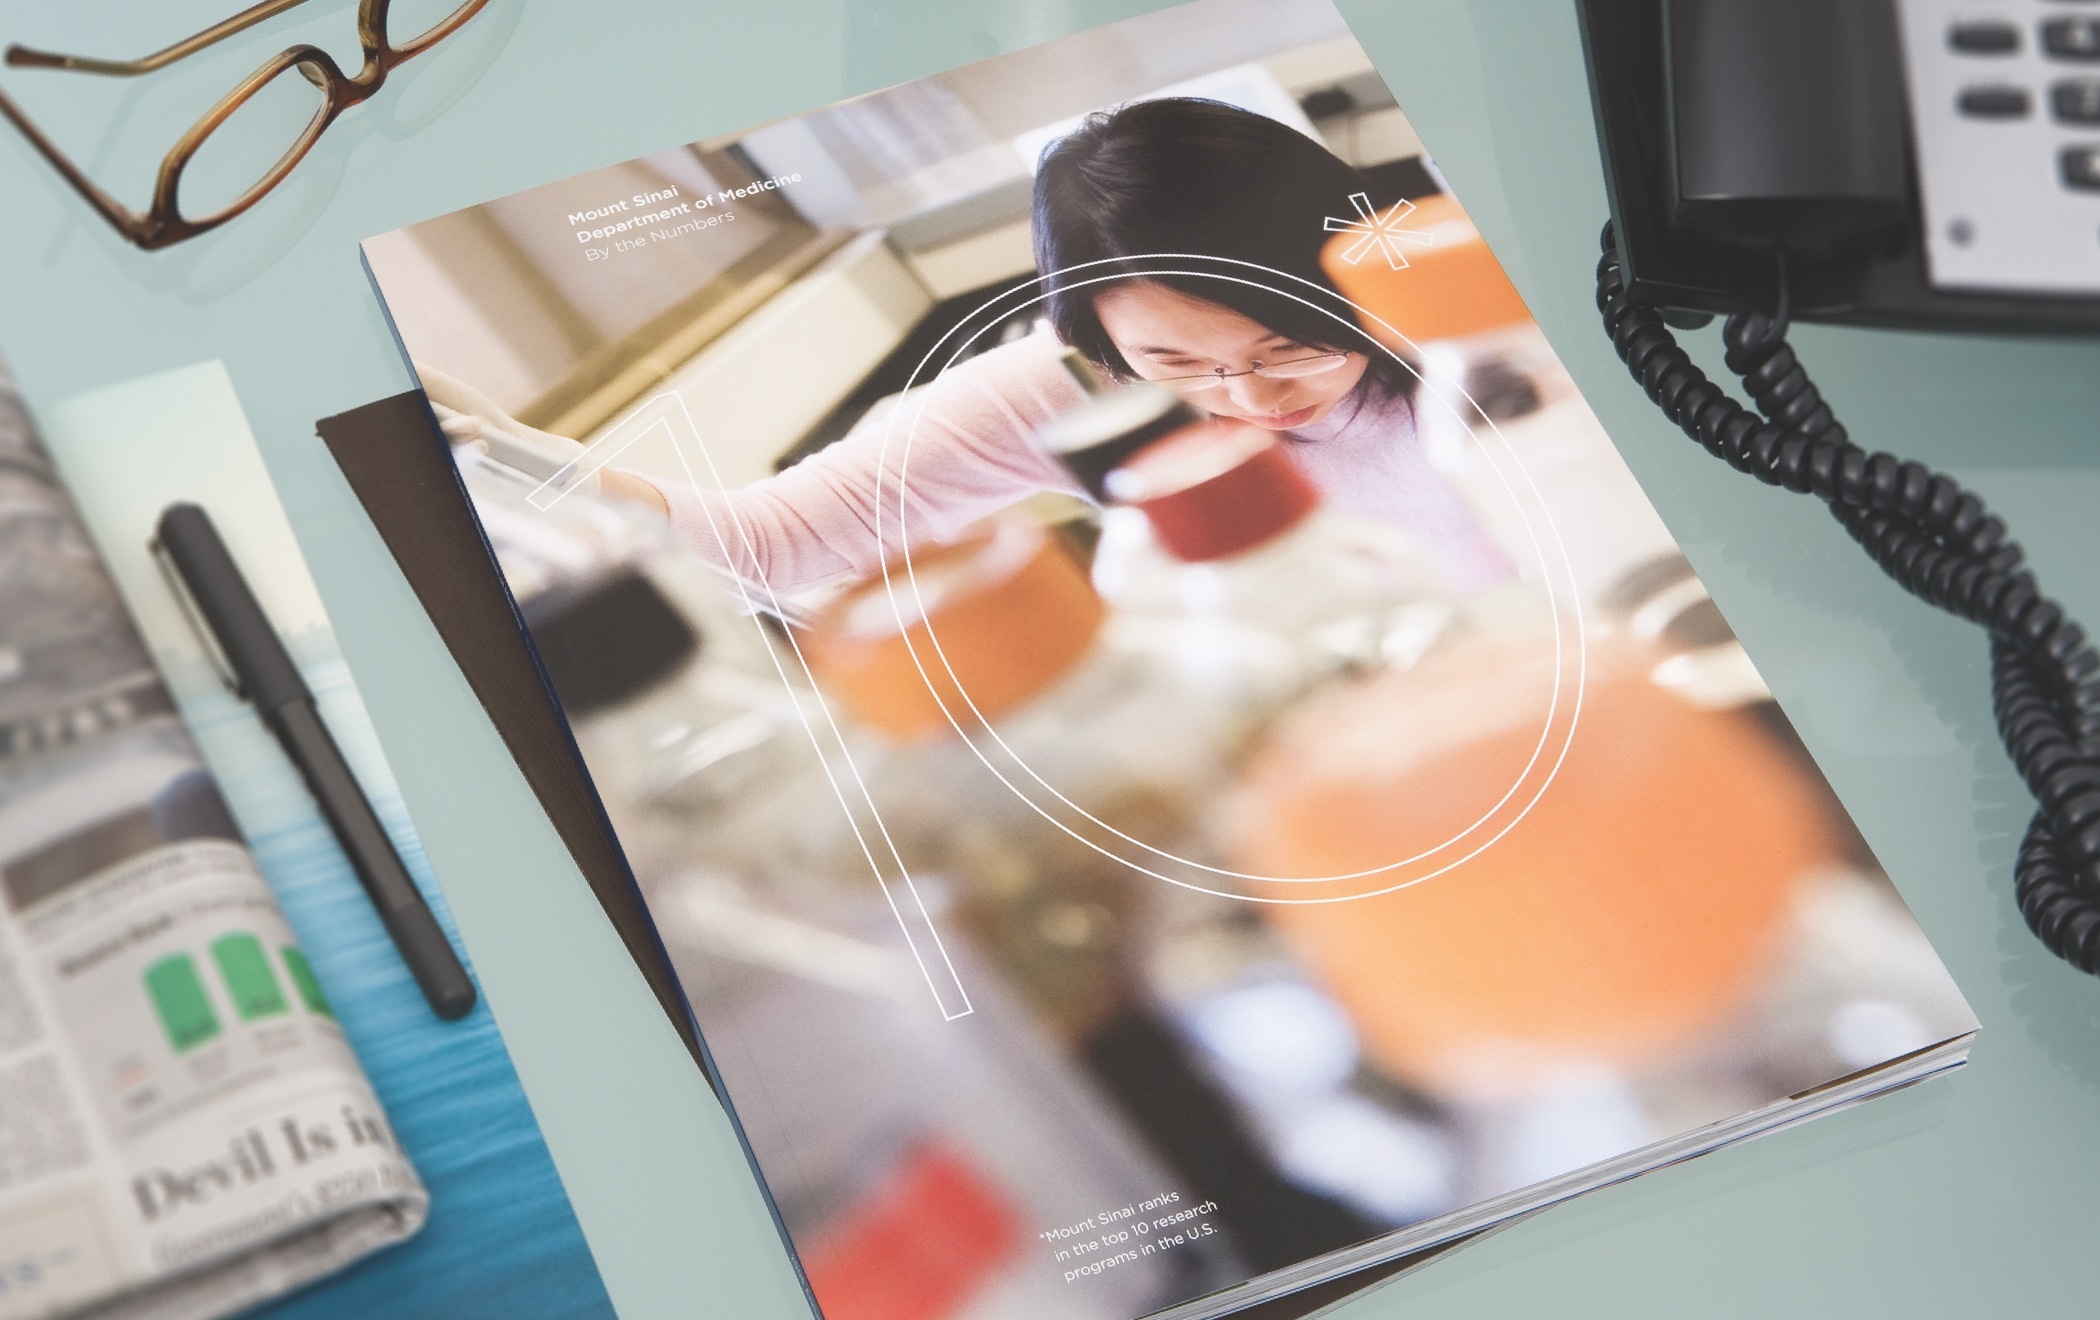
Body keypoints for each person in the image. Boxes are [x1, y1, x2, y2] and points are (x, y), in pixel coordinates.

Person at [430, 97, 1511, 597]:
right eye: (1175, 367)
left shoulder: (1462, 297)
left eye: (1289, 347)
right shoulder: (1070, 388)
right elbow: (772, 549)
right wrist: (503, 457)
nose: (1253, 398)